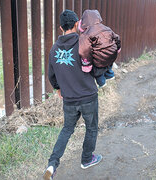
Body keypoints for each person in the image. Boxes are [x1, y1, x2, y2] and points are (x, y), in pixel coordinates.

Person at [43, 10, 102, 180]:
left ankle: (52, 165)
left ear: (61, 27)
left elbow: (51, 75)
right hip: (88, 96)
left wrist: (58, 88)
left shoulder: (54, 49)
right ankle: (86, 159)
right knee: (91, 128)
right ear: (77, 24)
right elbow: (96, 65)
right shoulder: (84, 43)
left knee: (67, 129)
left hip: (68, 99)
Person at [79, 10, 121, 88]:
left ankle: (102, 84)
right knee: (108, 64)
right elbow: (117, 38)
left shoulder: (86, 35)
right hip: (112, 55)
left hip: (100, 60)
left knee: (97, 72)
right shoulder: (106, 28)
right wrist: (118, 48)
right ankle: (110, 76)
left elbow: (84, 51)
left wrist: (86, 65)